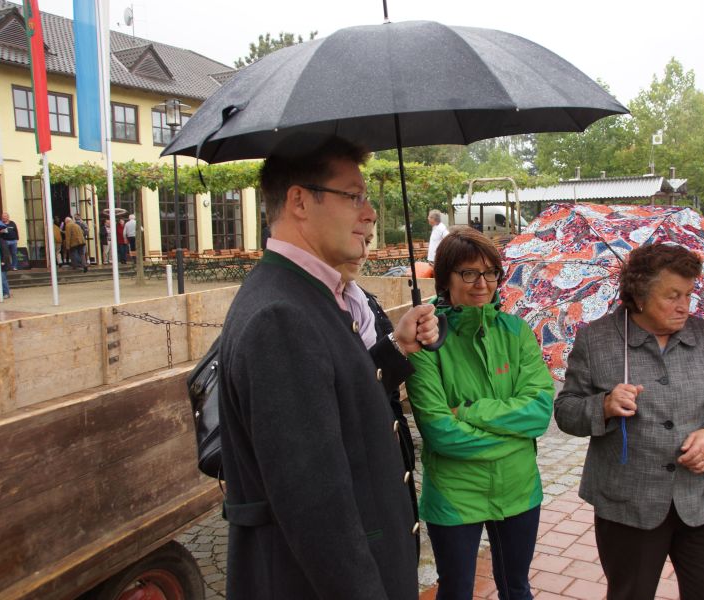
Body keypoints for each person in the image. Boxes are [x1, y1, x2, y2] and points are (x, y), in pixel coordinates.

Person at [217, 136, 438, 599]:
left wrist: (397, 347)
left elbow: (339, 403)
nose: (370, 213)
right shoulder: (281, 316)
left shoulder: (309, 295)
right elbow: (317, 511)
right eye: (354, 196)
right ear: (300, 201)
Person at [554, 243, 704, 600]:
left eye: (688, 294)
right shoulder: (598, 340)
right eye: (672, 295)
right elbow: (567, 411)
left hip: (699, 500)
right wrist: (604, 406)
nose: (684, 306)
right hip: (627, 503)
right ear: (640, 296)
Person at [406, 228, 555, 600]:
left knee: (516, 589)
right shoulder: (426, 342)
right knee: (456, 591)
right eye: (469, 273)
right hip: (455, 494)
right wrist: (514, 440)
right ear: (446, 278)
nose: (482, 283)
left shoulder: (517, 332)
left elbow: (539, 413)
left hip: (519, 489)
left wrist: (469, 411)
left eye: (490, 272)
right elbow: (440, 433)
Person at [335, 234, 421, 558]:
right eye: (354, 235)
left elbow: (385, 393)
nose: (362, 249)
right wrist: (395, 346)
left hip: (388, 462)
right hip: (357, 477)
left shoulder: (363, 301)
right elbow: (343, 398)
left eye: (368, 238)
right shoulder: (310, 310)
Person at [0, 228, 10, 298]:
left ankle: (6, 293)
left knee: (3, 279)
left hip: (3, 264)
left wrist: (3, 261)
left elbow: (5, 252)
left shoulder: (2, 241)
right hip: (1, 263)